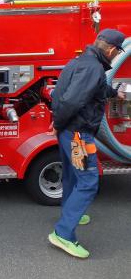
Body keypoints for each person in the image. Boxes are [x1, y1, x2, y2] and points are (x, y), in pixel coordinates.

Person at [48, 29, 127, 259]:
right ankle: (63, 234)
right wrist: (58, 122)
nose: (116, 56)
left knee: (72, 175)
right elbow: (72, 100)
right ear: (112, 50)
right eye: (117, 52)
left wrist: (115, 93)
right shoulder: (94, 68)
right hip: (78, 135)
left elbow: (77, 91)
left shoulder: (81, 61)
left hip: (67, 131)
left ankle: (71, 212)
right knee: (88, 180)